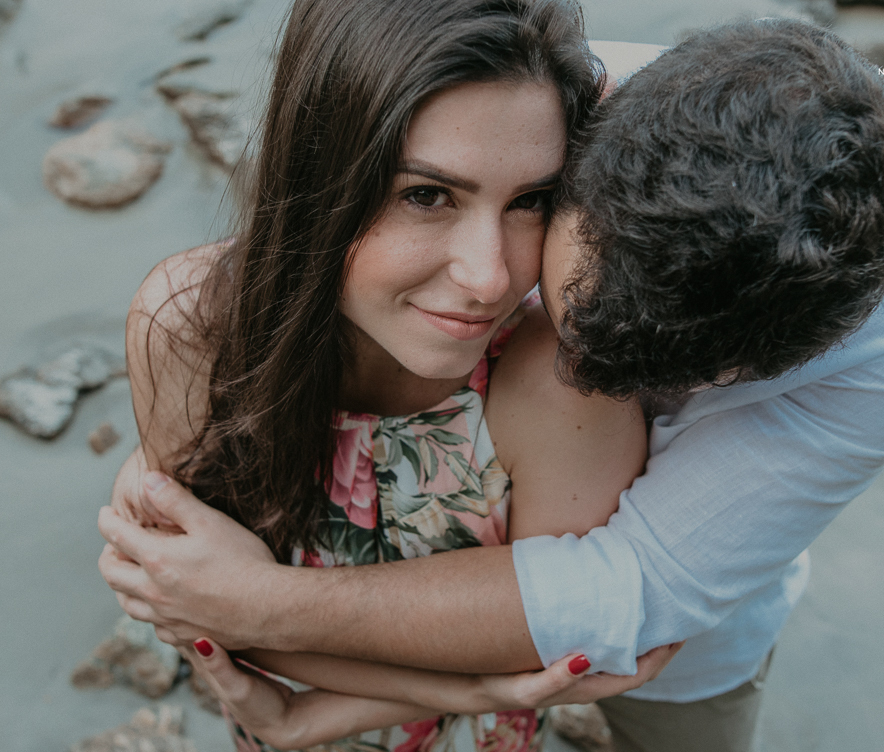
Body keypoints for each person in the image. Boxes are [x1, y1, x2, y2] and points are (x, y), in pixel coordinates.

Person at [99, 18, 884, 752]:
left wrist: (261, 609)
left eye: (525, 204)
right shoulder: (535, 106)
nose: (495, 286)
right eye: (575, 319)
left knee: (683, 720)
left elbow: (634, 599)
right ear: (593, 146)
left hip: (670, 629)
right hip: (450, 628)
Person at [103, 0, 677, 748]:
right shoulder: (188, 327)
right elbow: (194, 605)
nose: (489, 276)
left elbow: (543, 642)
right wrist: (466, 684)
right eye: (426, 195)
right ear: (318, 175)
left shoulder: (562, 380)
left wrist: (299, 670)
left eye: (531, 201)